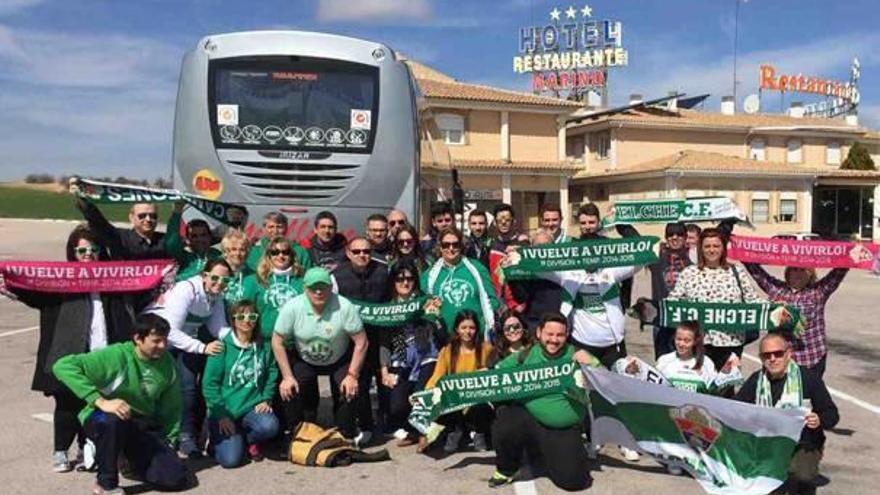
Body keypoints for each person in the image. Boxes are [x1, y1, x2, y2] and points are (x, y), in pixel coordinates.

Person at [0, 225, 137, 473]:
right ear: (73, 252)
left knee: (95, 403)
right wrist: (11, 284)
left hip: (102, 354)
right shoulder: (61, 279)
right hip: (69, 353)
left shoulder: (113, 279)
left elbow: (139, 286)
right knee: (66, 405)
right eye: (82, 250)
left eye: (93, 249)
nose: (88, 254)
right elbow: (35, 292)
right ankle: (60, 450)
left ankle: (87, 448)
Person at [52, 313, 188, 495]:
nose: (162, 346)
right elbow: (62, 366)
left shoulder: (168, 363)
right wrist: (99, 400)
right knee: (112, 420)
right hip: (104, 418)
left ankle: (128, 457)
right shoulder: (116, 355)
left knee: (174, 479)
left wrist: (170, 440)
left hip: (140, 423)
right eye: (156, 341)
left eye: (165, 340)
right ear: (138, 339)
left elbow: (172, 406)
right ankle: (105, 483)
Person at [489, 312, 596, 491]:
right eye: (549, 334)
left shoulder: (577, 355)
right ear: (539, 333)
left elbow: (608, 382)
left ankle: (555, 452)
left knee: (574, 482)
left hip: (563, 428)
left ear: (567, 335)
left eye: (560, 335)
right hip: (530, 419)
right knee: (505, 421)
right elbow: (494, 374)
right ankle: (507, 469)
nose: (554, 340)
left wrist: (593, 362)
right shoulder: (526, 355)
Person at [143, 258, 230, 457]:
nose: (220, 283)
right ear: (205, 275)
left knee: (189, 388)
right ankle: (156, 434)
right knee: (155, 388)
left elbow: (218, 327)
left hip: (185, 342)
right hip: (159, 339)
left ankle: (186, 436)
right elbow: (170, 331)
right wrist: (202, 347)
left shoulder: (217, 295)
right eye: (215, 278)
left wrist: (240, 338)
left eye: (225, 280)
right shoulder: (187, 289)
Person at [272, 267, 369, 442]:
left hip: (338, 358)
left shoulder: (344, 306)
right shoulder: (292, 307)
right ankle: (297, 431)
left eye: (323, 286)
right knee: (290, 387)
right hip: (305, 358)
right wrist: (287, 376)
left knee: (350, 389)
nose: (318, 291)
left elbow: (362, 341)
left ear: (331, 287)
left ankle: (346, 430)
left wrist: (352, 375)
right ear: (305, 288)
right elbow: (277, 341)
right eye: (313, 287)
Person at [735, 333, 839, 495]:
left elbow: (832, 414)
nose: (773, 359)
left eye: (778, 354)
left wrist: (819, 419)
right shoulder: (756, 381)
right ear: (761, 358)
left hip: (803, 443)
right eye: (767, 355)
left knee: (803, 476)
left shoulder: (808, 379)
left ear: (788, 353)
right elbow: (736, 409)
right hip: (768, 444)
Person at [668, 228, 765, 372]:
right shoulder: (689, 273)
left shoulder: (736, 271)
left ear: (723, 248)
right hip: (700, 342)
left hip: (731, 342)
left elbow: (752, 300)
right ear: (701, 249)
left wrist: (775, 307)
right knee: (700, 386)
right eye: (707, 246)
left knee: (726, 389)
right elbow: (673, 302)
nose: (711, 250)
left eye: (716, 246)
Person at [202, 300, 279, 468]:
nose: (247, 320)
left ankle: (249, 439)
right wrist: (221, 414)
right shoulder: (221, 347)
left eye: (252, 316)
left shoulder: (264, 346)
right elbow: (210, 385)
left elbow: (272, 372)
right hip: (225, 410)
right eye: (241, 316)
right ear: (233, 320)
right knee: (231, 461)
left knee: (270, 426)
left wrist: (266, 398)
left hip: (251, 407)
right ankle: (213, 442)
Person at [378, 262, 445, 448]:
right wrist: (384, 371)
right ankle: (413, 429)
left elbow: (441, 331)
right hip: (402, 360)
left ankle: (424, 433)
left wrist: (435, 316)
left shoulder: (425, 301)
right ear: (393, 282)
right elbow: (384, 343)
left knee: (420, 396)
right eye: (400, 278)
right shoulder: (387, 308)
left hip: (426, 356)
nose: (405, 282)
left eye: (409, 278)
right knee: (397, 406)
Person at [332, 237, 390, 441]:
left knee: (384, 381)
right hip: (350, 339)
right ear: (348, 253)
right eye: (356, 252)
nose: (362, 255)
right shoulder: (336, 275)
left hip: (379, 334)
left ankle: (387, 422)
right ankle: (365, 425)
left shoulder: (384, 272)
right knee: (360, 382)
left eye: (366, 251)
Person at [744, 264, 847, 378]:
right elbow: (756, 271)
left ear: (810, 274)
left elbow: (838, 273)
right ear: (788, 272)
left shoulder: (818, 291)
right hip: (779, 358)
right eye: (794, 269)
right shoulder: (776, 289)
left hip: (811, 357)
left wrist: (851, 252)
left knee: (810, 393)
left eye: (803, 269)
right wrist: (741, 250)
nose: (798, 273)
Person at [425, 310, 495, 454]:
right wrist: (426, 394)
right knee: (444, 398)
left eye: (472, 328)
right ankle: (455, 431)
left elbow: (495, 373)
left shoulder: (486, 348)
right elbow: (437, 376)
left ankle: (478, 432)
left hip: (478, 398)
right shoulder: (447, 351)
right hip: (455, 401)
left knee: (480, 406)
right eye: (464, 328)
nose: (468, 332)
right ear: (457, 329)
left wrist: (486, 371)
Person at [421, 227, 500, 338]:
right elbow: (422, 305)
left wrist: (482, 323)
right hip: (444, 339)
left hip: (475, 337)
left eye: (455, 244)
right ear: (440, 247)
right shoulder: (429, 276)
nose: (451, 248)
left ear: (461, 246)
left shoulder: (477, 268)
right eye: (446, 245)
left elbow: (492, 299)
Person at [72, 178, 167, 261]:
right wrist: (82, 199)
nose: (148, 219)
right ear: (131, 217)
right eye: (142, 216)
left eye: (153, 216)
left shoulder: (165, 241)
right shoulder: (120, 238)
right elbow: (98, 222)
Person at [241, 236, 305, 339]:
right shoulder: (254, 281)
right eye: (275, 252)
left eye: (285, 252)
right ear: (268, 256)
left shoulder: (302, 282)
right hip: (263, 341)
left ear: (292, 255)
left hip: (294, 341)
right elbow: (243, 311)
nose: (280, 256)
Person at [655, 321, 742, 395]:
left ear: (695, 341)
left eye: (686, 340)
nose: (681, 344)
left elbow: (713, 394)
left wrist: (726, 373)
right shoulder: (664, 361)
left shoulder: (707, 364)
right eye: (678, 339)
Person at [647, 222, 692, 358]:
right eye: (670, 234)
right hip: (662, 321)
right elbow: (636, 241)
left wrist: (730, 218)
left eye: (679, 234)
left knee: (688, 365)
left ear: (685, 237)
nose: (674, 237)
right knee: (663, 366)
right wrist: (618, 219)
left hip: (686, 323)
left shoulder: (694, 261)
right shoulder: (656, 259)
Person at [508, 230, 563, 331]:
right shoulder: (526, 269)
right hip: (534, 322)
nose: (542, 248)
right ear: (532, 248)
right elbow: (521, 297)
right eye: (538, 245)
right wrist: (512, 273)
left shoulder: (564, 266)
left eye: (546, 245)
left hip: (558, 322)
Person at [164, 201, 223, 281]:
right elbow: (171, 242)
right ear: (188, 240)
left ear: (209, 237)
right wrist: (177, 211)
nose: (200, 239)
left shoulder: (217, 255)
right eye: (194, 236)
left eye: (203, 235)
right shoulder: (183, 256)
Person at [245, 212, 311, 272]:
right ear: (264, 229)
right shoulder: (253, 252)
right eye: (271, 227)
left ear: (286, 228)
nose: (275, 231)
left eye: (279, 227)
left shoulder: (299, 251)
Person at [220, 229, 253, 306]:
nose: (237, 253)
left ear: (247, 253)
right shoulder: (216, 274)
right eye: (233, 249)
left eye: (242, 250)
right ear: (225, 252)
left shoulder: (253, 277)